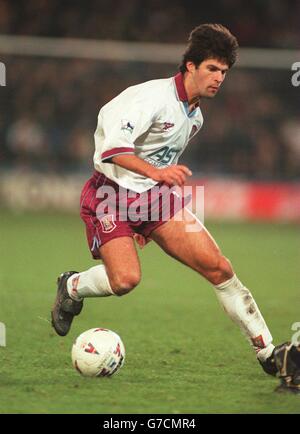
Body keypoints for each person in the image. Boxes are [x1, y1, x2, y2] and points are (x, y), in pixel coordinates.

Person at [51, 24, 300, 393]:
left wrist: (152, 194)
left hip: (154, 196)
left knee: (219, 268)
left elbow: (158, 163)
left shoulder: (194, 116)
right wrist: (156, 175)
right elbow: (112, 151)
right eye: (212, 69)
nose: (219, 79)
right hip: (111, 195)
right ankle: (71, 285)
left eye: (224, 72)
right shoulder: (149, 100)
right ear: (189, 66)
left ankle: (268, 354)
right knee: (125, 281)